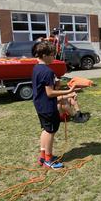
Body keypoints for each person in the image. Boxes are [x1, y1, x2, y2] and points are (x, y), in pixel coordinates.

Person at [32, 40, 78, 169]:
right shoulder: (47, 71)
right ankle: (48, 159)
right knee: (50, 131)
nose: (54, 57)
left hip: (39, 104)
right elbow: (50, 93)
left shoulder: (37, 67)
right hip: (47, 106)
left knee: (45, 130)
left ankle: (42, 156)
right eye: (52, 54)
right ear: (45, 55)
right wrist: (69, 90)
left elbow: (45, 88)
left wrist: (58, 86)